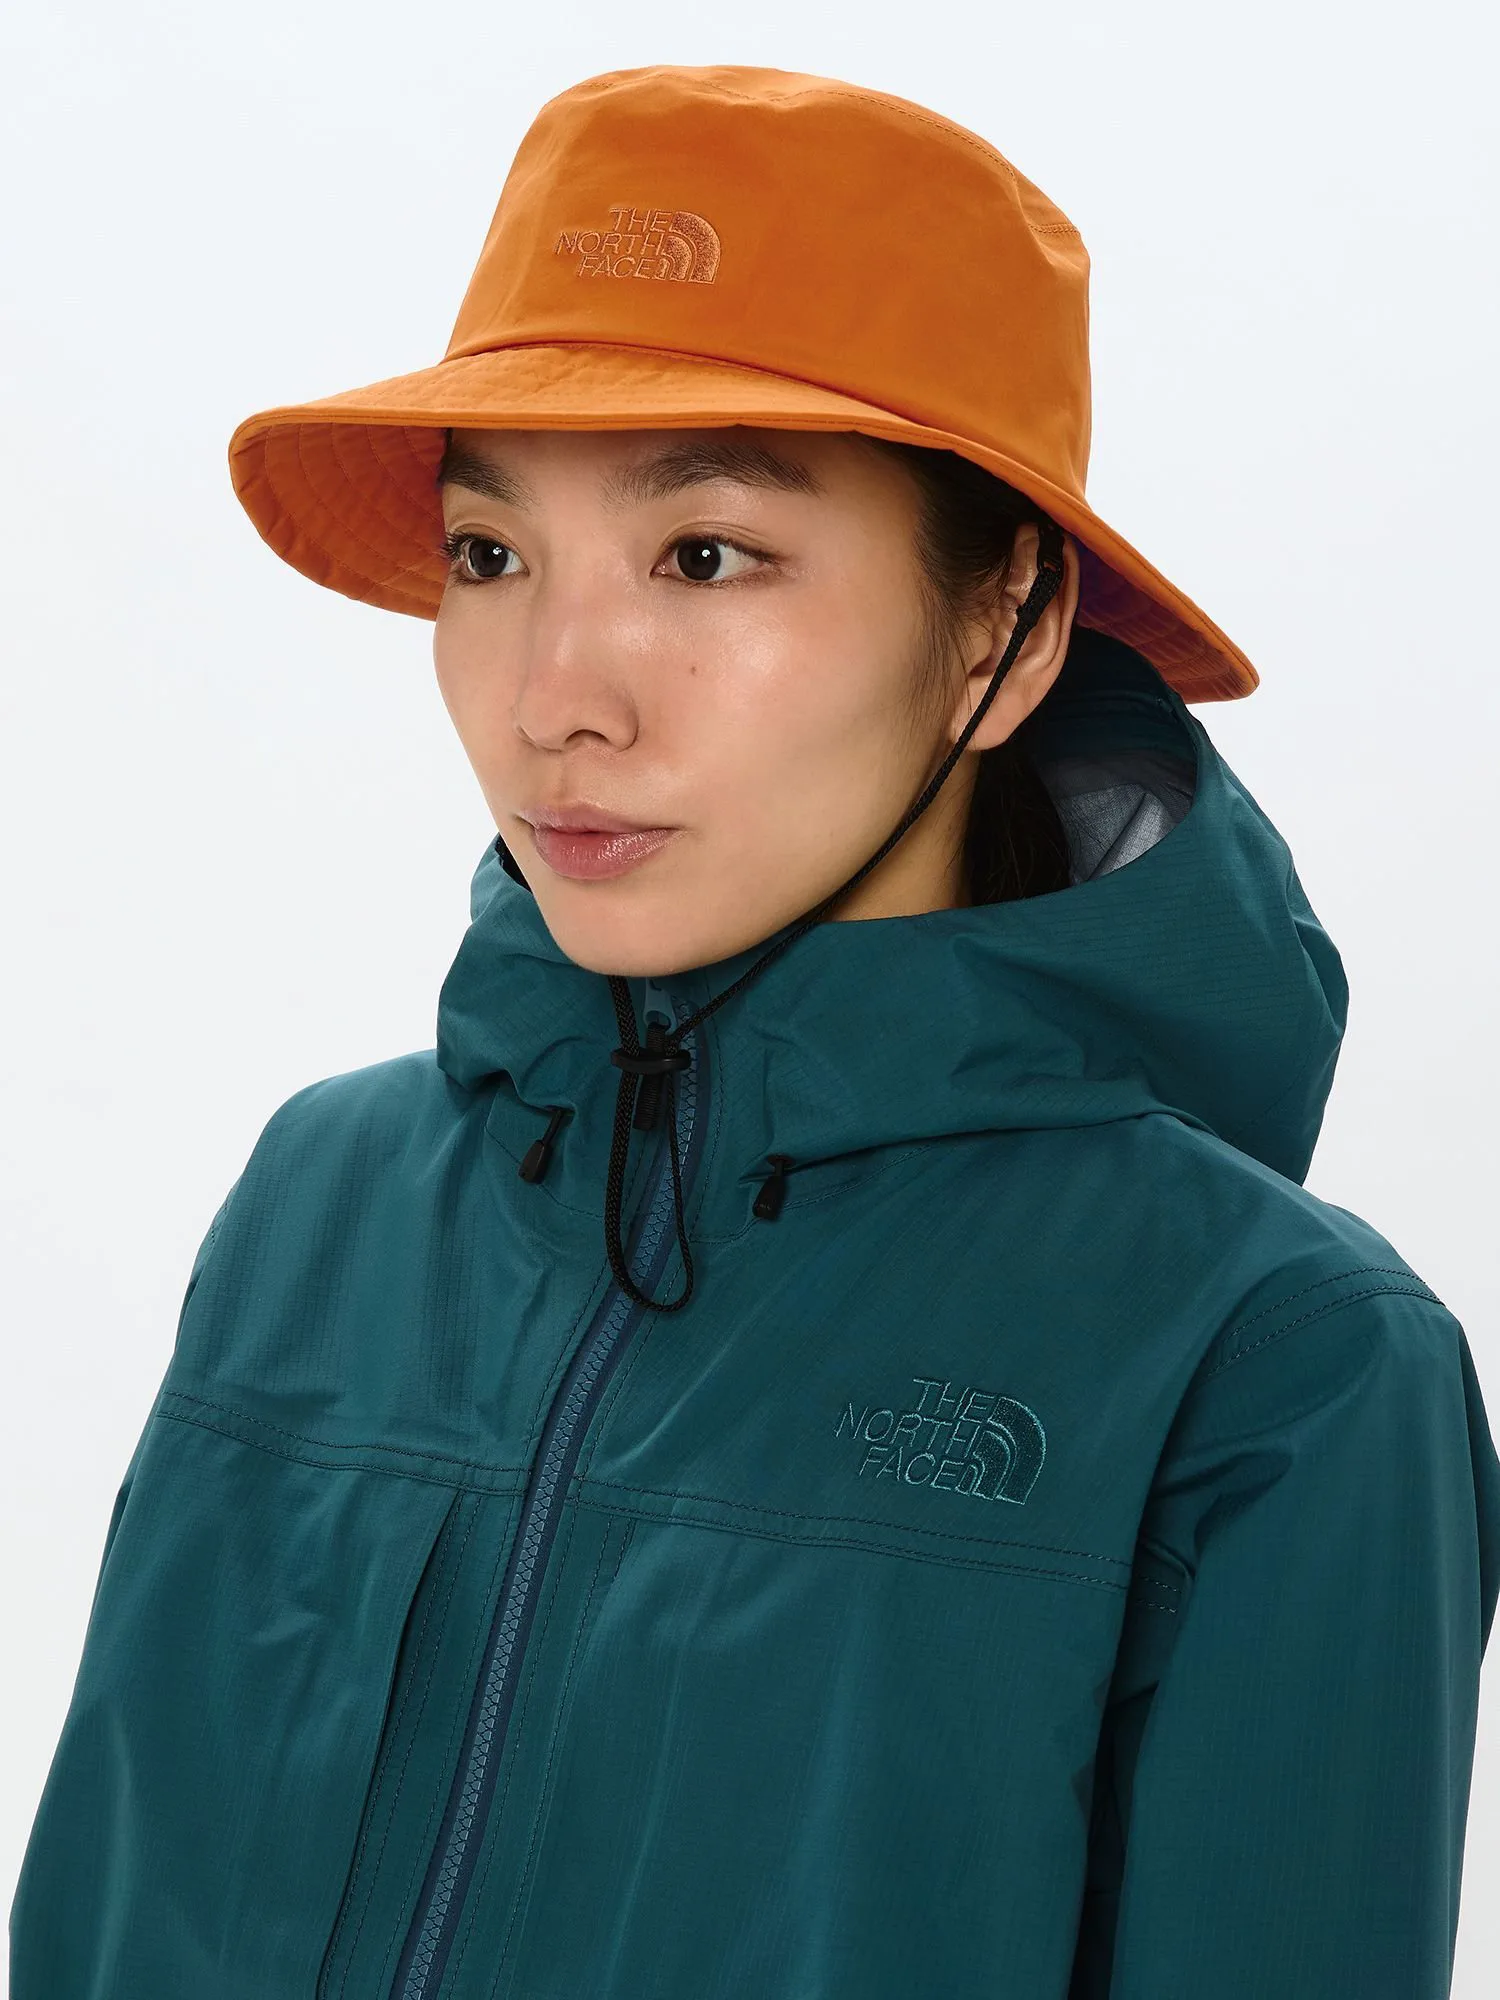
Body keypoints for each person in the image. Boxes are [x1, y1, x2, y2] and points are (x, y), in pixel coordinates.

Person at [10, 61, 1500, 2000]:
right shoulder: (322, 1203)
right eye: (489, 555)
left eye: (705, 555)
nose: (557, 696)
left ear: (1007, 630)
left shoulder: (1277, 1362)